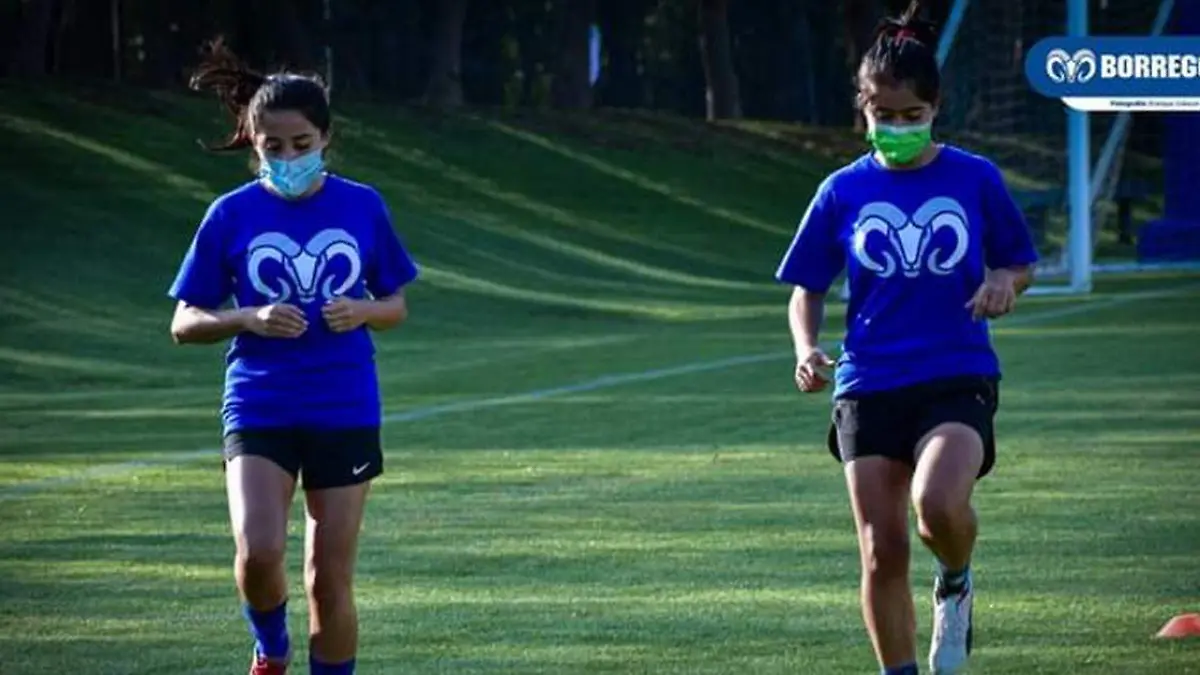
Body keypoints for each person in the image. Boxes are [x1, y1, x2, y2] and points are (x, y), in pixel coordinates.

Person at [774, 3, 1038, 674]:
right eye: (882, 117)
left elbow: (1019, 260)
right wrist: (806, 348)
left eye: (909, 115)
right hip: (868, 383)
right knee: (881, 549)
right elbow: (806, 286)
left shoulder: (975, 177)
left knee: (937, 506)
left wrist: (1006, 283)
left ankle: (956, 576)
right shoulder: (840, 191)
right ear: (862, 112)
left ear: (934, 108)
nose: (896, 128)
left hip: (955, 372)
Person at [167, 39, 419, 675]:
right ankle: (270, 647)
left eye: (300, 146)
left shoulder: (363, 205)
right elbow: (184, 322)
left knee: (327, 581)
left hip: (343, 403)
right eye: (271, 148)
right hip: (259, 399)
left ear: (326, 139)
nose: (286, 159)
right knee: (257, 554)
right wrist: (244, 317)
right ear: (253, 144)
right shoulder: (229, 214)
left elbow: (395, 304)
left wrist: (362, 310)